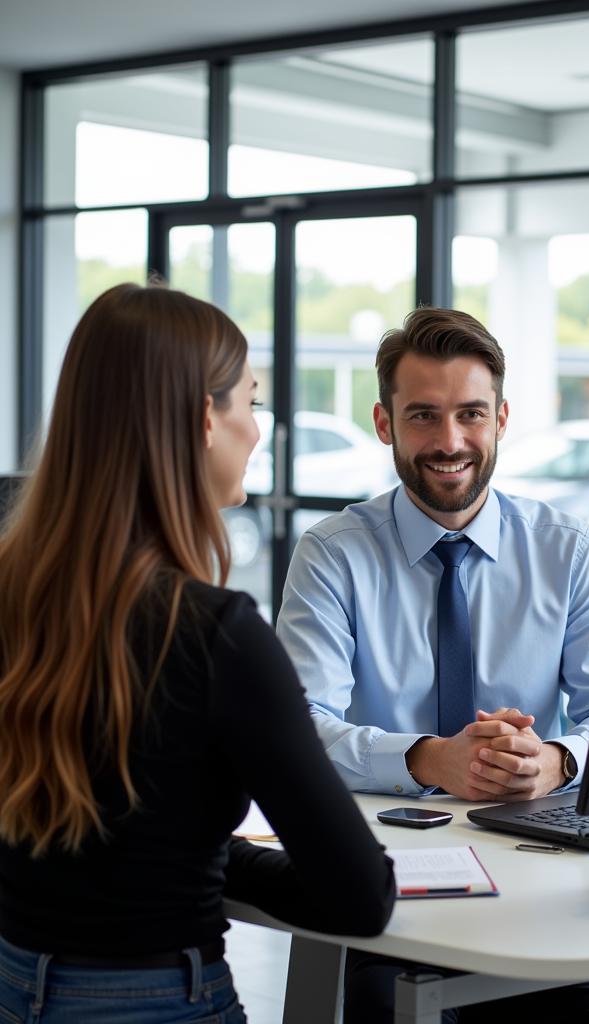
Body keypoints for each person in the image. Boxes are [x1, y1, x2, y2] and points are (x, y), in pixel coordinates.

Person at [0, 283, 395, 1022]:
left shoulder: (15, 594)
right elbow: (358, 895)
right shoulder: (216, 635)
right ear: (201, 420)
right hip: (156, 1001)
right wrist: (216, 866)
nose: (258, 428)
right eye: (248, 401)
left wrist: (203, 860)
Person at [278, 306, 589, 1023]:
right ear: (385, 423)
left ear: (502, 418)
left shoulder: (567, 549)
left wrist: (557, 760)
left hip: (536, 897)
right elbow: (298, 731)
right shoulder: (332, 555)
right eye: (423, 416)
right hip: (383, 899)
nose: (449, 441)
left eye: (470, 414)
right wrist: (427, 759)